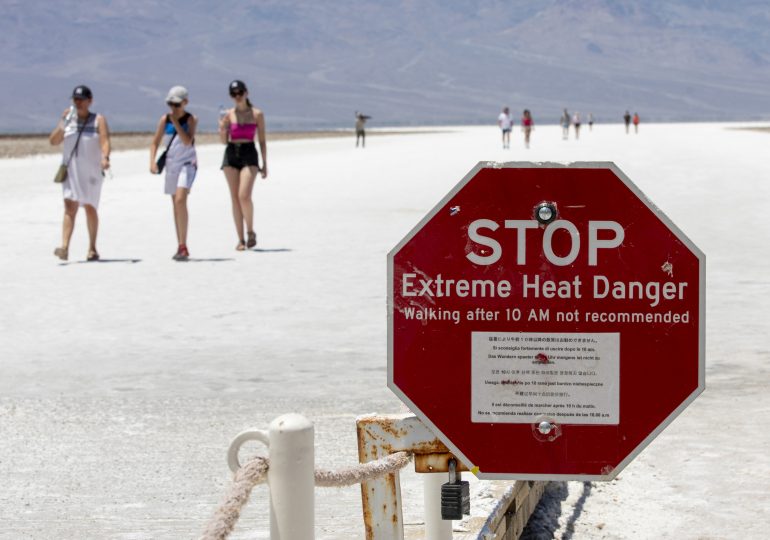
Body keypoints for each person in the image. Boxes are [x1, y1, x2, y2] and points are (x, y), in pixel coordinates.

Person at [48, 85, 111, 262]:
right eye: (75, 99)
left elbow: (105, 141)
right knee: (69, 206)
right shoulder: (68, 120)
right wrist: (62, 122)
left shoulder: (98, 120)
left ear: (90, 101)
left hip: (91, 172)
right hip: (71, 171)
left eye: (81, 99)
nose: (78, 102)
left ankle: (92, 247)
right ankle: (64, 247)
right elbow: (53, 141)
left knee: (90, 207)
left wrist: (105, 157)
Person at [150, 86, 198, 261]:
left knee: (180, 199)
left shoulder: (191, 119)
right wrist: (152, 161)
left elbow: (187, 141)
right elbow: (154, 142)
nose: (173, 108)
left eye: (177, 104)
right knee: (175, 205)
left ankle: (184, 245)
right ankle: (180, 244)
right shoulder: (164, 120)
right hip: (171, 165)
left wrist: (176, 122)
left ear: (185, 103)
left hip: (187, 163)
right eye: (171, 104)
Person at [219, 80, 268, 250]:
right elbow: (224, 142)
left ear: (246, 93)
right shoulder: (228, 114)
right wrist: (223, 129)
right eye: (233, 94)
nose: (237, 97)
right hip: (231, 153)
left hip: (249, 153)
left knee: (244, 195)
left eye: (240, 93)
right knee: (234, 198)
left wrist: (265, 163)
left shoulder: (257, 114)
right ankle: (240, 239)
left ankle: (250, 231)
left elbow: (262, 140)